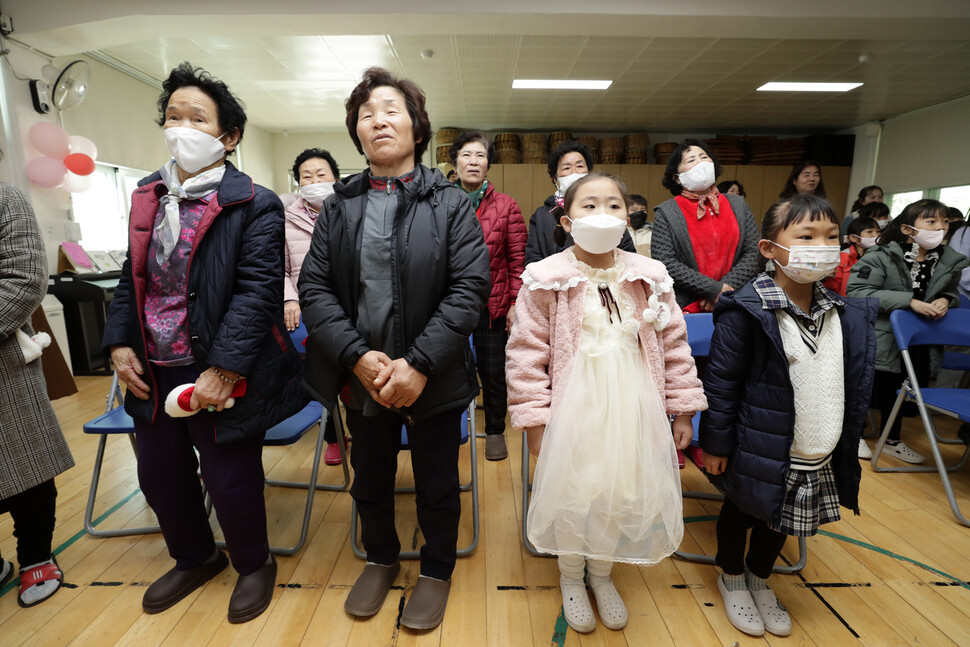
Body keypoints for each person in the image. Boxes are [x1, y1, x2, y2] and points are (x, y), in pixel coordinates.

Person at [102, 62, 307, 624]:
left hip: (217, 364)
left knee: (229, 475)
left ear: (228, 136)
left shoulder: (254, 203)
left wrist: (224, 367)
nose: (181, 126)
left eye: (198, 118)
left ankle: (253, 563)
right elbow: (131, 277)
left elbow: (257, 291)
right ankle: (194, 558)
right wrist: (119, 344)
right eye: (173, 116)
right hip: (153, 362)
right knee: (159, 473)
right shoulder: (148, 194)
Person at [299, 67, 489, 631]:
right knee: (372, 476)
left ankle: (435, 570)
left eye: (391, 109)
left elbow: (468, 288)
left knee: (436, 480)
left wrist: (419, 363)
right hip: (364, 374)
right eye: (365, 113)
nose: (378, 119)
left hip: (433, 376)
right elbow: (315, 289)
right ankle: (380, 558)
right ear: (357, 133)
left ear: (416, 126)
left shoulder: (450, 202)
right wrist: (357, 357)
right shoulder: (338, 206)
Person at [506, 174, 706, 634]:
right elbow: (524, 353)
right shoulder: (545, 277)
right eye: (589, 205)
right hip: (574, 408)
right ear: (566, 218)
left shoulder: (650, 275)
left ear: (629, 215)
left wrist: (683, 408)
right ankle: (572, 576)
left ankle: (602, 572)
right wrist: (535, 419)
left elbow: (674, 345)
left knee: (619, 489)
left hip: (634, 406)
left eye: (614, 205)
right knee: (579, 490)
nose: (602, 215)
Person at [700, 194, 877, 638]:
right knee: (743, 510)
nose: (821, 245)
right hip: (758, 441)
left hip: (815, 441)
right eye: (806, 236)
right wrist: (717, 444)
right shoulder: (746, 312)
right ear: (769, 249)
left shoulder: (847, 313)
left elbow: (849, 380)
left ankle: (760, 577)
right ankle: (733, 577)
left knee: (783, 517)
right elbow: (721, 385)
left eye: (831, 237)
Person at [847, 199, 969, 464]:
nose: (940, 228)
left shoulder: (948, 261)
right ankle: (853, 436)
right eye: (932, 222)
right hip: (882, 336)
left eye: (945, 222)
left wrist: (946, 300)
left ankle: (892, 440)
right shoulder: (881, 257)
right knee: (869, 388)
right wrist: (908, 301)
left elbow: (950, 292)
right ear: (907, 229)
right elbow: (858, 293)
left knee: (904, 390)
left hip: (920, 338)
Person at [0, 181, 75, 608]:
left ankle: (35, 556)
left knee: (23, 463)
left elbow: (24, 280)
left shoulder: (6, 199)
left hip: (3, 361)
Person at [449, 130, 526, 461]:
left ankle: (495, 429)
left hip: (491, 306)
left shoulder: (506, 206)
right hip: (447, 305)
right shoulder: (440, 201)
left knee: (494, 373)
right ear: (455, 162)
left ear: (488, 164)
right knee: (446, 369)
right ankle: (449, 427)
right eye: (466, 155)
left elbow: (517, 262)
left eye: (480, 155)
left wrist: (513, 304)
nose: (473, 161)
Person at [283, 147, 346, 466]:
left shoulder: (349, 210)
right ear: (298, 182)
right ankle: (333, 435)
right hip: (305, 308)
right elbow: (277, 267)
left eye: (321, 174)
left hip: (347, 308)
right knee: (321, 373)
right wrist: (289, 298)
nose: (314, 180)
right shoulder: (284, 218)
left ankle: (364, 431)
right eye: (307, 176)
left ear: (335, 177)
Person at [651, 139, 760, 313]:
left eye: (704, 157)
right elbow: (665, 261)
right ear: (676, 178)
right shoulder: (667, 212)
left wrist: (724, 290)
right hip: (686, 304)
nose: (700, 163)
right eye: (691, 160)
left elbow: (753, 252)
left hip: (736, 300)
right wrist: (711, 289)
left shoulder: (738, 205)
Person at [524, 140, 635, 265]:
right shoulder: (542, 215)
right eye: (567, 168)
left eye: (580, 166)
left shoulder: (606, 211)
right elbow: (533, 257)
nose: (574, 172)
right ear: (556, 179)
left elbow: (628, 255)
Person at [824, 213, 880, 296]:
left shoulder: (881, 256)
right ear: (853, 238)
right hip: (846, 304)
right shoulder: (842, 257)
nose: (876, 235)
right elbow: (834, 287)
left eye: (878, 231)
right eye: (869, 232)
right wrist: (827, 278)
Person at [627, 193, 653, 257]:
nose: (639, 213)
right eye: (634, 210)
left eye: (643, 210)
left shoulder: (654, 233)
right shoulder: (621, 233)